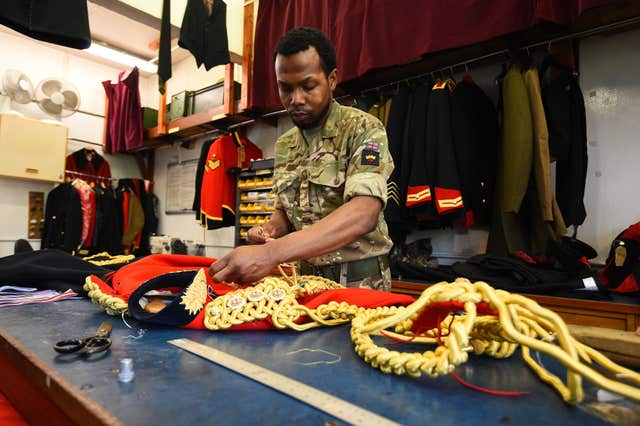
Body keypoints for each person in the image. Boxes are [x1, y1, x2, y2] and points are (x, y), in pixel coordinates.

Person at [210, 27, 394, 290]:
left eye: (308, 86)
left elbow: (363, 213)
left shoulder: (364, 129)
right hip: (305, 282)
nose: (295, 99)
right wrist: (270, 229)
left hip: (361, 284)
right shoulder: (286, 145)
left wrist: (272, 254)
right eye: (285, 88)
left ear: (331, 80)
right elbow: (286, 212)